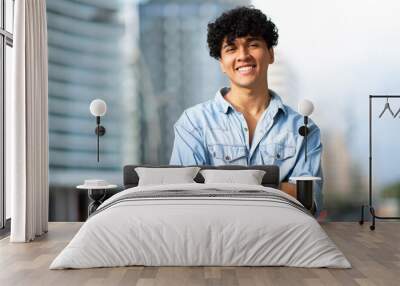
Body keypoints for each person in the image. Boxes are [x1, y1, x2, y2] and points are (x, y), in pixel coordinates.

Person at [169, 6, 323, 213]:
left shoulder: (304, 129)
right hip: (212, 240)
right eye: (231, 49)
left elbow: (308, 198)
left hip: (279, 238)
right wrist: (276, 186)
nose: (243, 55)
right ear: (222, 63)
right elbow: (185, 196)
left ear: (270, 54)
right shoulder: (193, 123)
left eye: (253, 44)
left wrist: (223, 186)